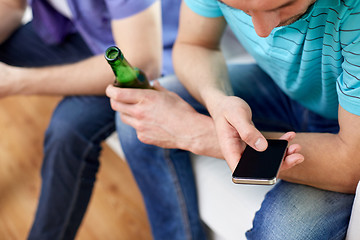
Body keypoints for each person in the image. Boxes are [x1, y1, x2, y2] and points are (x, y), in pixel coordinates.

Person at [107, 0, 360, 238]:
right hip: (279, 88)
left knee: (283, 234)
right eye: (242, 10)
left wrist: (203, 135)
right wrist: (219, 101)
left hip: (345, 129)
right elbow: (194, 45)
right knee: (137, 118)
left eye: (283, 6)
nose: (262, 31)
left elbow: (351, 164)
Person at [0, 0, 206, 239]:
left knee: (67, 128)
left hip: (143, 58)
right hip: (84, 33)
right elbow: (12, 6)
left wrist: (17, 81)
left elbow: (141, 63)